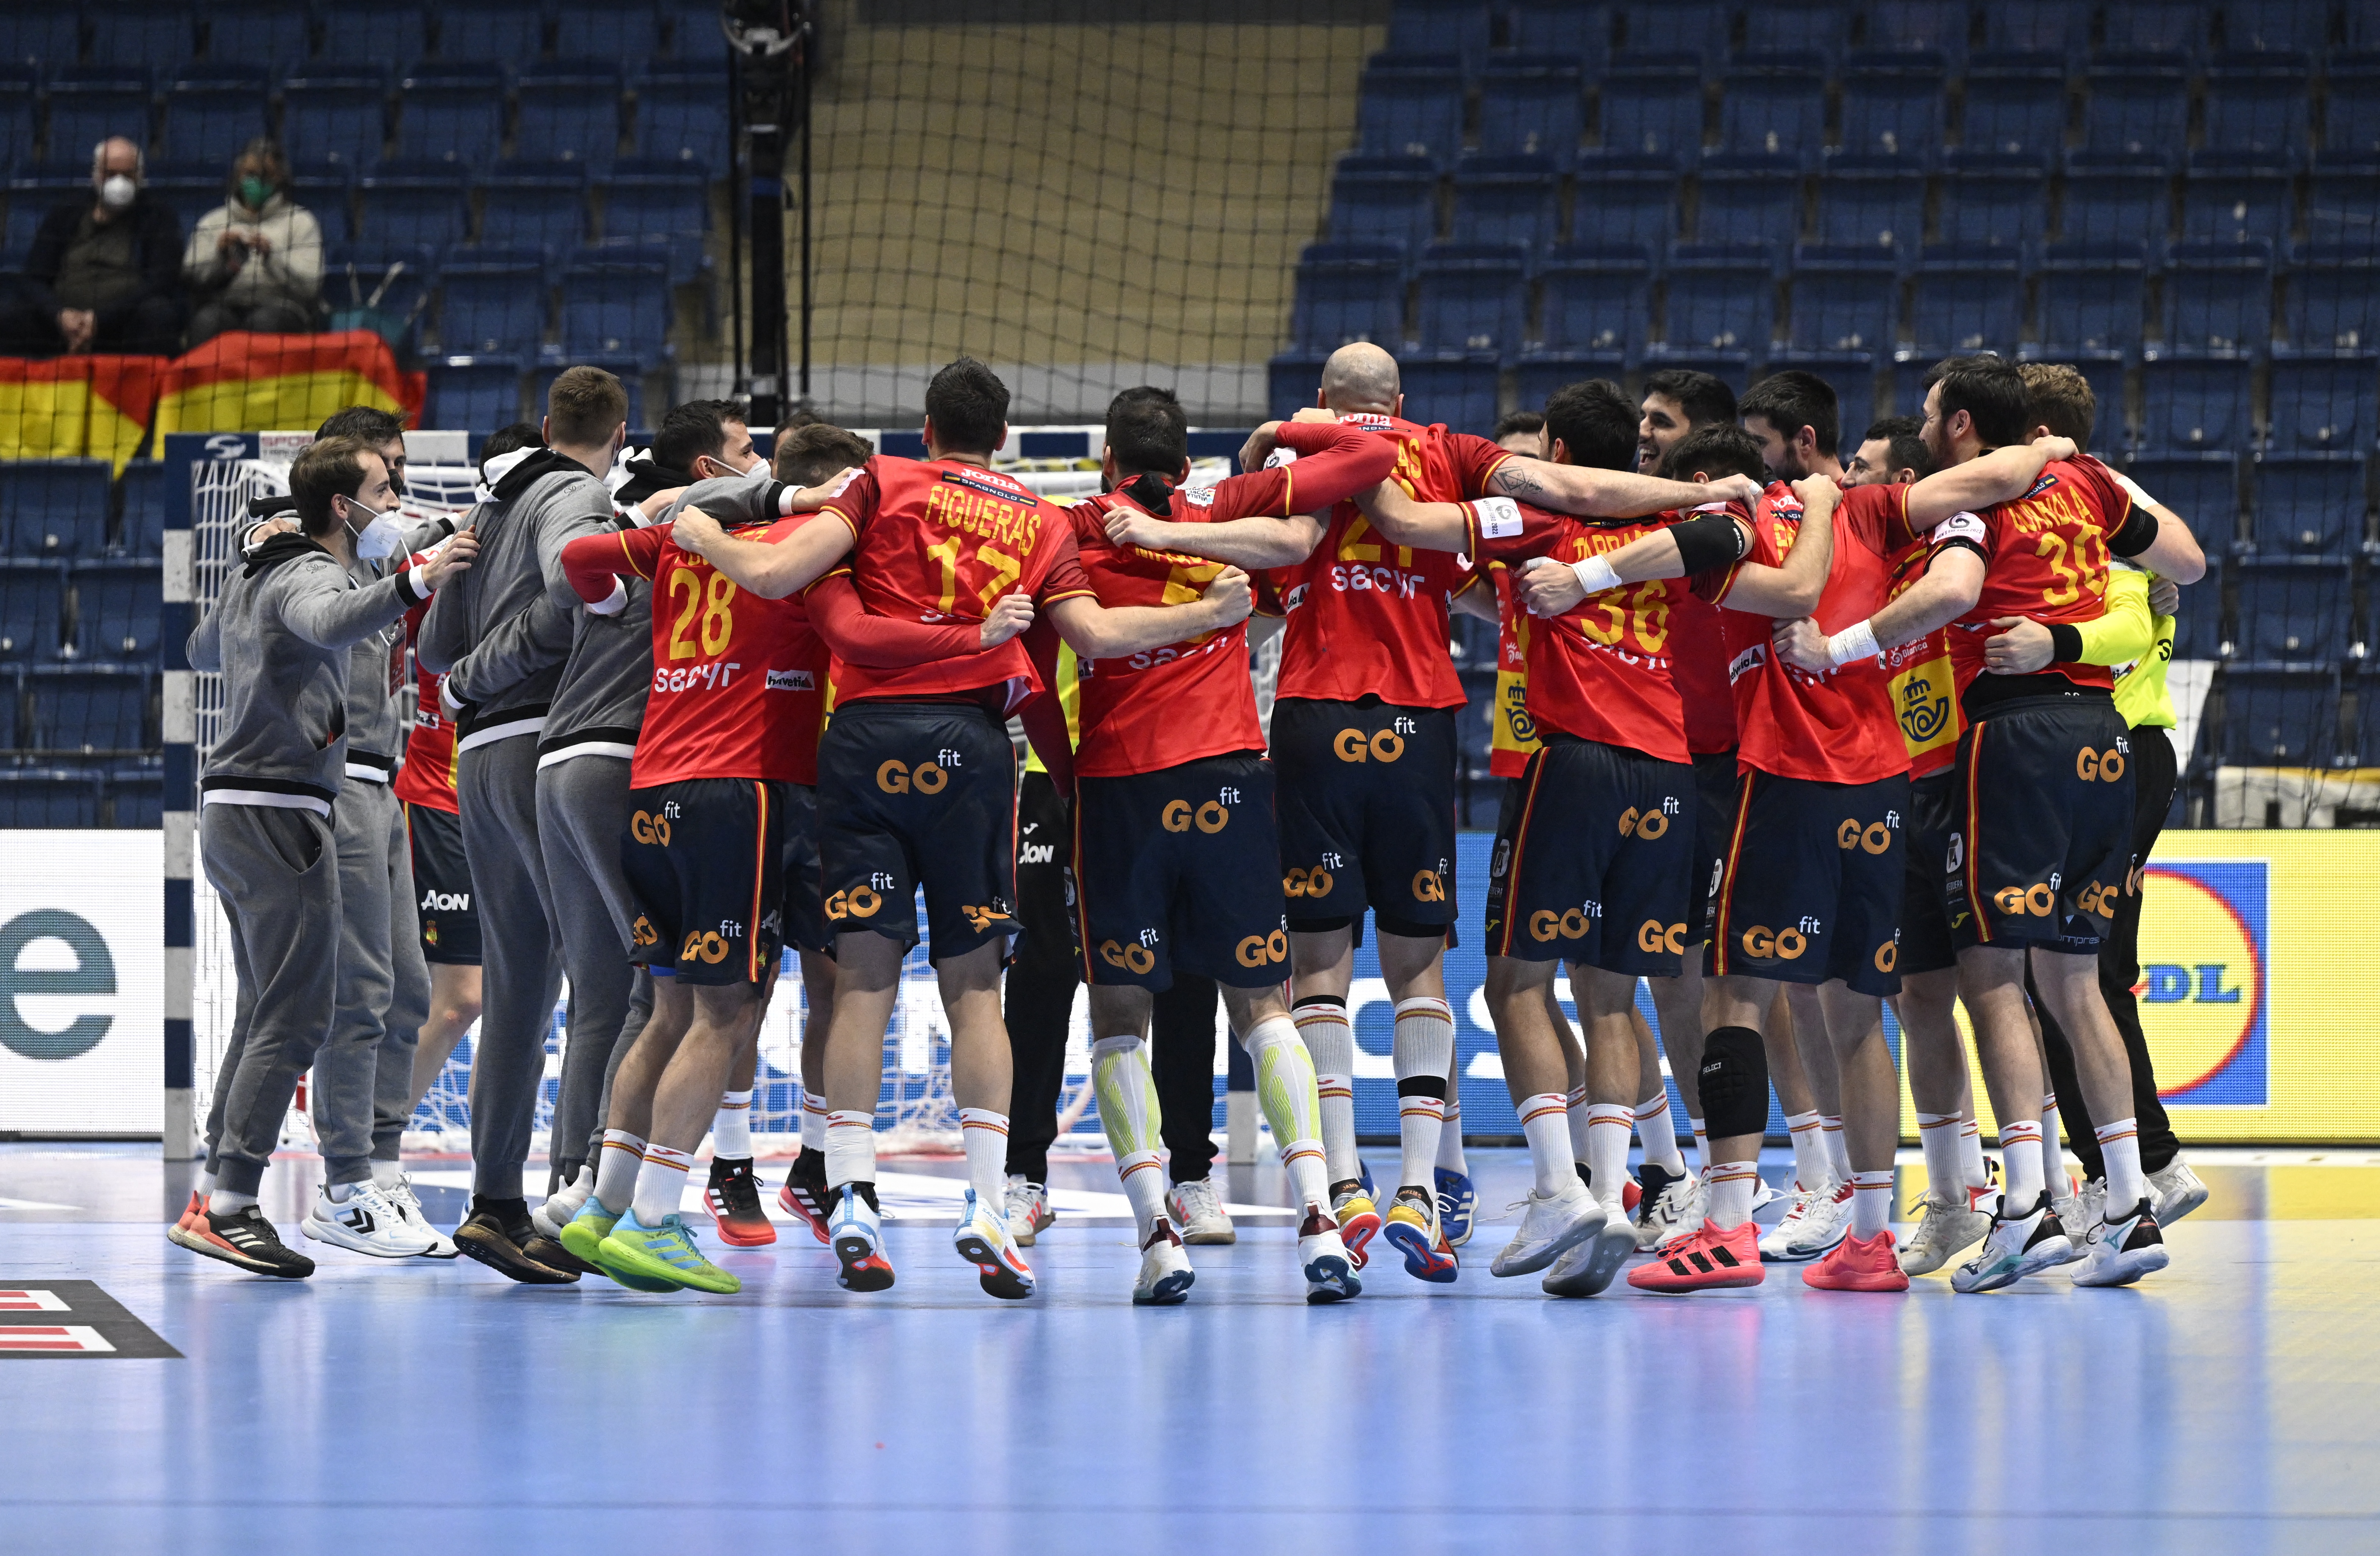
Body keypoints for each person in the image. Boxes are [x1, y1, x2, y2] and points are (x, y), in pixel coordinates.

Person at [669, 357, 1265, 1301]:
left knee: (862, 982)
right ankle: (990, 1204)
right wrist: (1205, 613)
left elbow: (781, 573)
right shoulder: (1036, 518)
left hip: (863, 745)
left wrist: (698, 525)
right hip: (978, 756)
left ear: (923, 424)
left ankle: (851, 1193)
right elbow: (1098, 640)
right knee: (975, 990)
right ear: (1002, 432)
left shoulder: (879, 484)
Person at [547, 436, 1010, 1294]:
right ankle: (654, 1218)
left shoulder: (684, 537)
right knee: (723, 1018)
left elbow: (579, 556)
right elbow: (869, 632)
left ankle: (602, 1208)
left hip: (656, 786)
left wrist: (610, 604)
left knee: (674, 1009)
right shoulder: (807, 559)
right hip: (746, 790)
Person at [1784, 355, 2203, 1291]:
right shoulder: (2090, 483)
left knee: (1989, 980)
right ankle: (2129, 1203)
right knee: (2073, 982)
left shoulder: (1967, 506)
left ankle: (2023, 1208)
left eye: (1933, 416)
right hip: (2104, 737)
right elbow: (2186, 560)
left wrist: (1834, 647)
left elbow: (1952, 592)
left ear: (1964, 426)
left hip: (2011, 735)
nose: (1926, 432)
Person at [1350, 379, 1765, 1297]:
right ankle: (1616, 1203)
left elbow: (1406, 523)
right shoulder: (1668, 546)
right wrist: (1711, 494)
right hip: (1668, 775)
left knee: (1514, 985)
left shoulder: (1540, 523)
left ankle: (1554, 1188)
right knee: (1614, 997)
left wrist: (1356, 442)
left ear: (1555, 456)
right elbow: (1734, 537)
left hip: (1573, 765)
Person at [1069, 387, 1401, 1299]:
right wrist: (1280, 436)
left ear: (1108, 459)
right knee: (1263, 1009)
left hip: (1120, 786)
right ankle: (1318, 1226)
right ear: (1186, 460)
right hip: (1227, 779)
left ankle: (1157, 1242)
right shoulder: (1230, 504)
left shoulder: (1075, 523)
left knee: (1118, 1022)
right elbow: (1370, 460)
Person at [170, 437, 477, 1277]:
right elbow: (326, 618)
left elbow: (204, 647)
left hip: (246, 804)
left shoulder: (263, 570)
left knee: (281, 1005)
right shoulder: (310, 573)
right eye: (385, 487)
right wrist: (413, 582)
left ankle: (216, 1193)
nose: (398, 502)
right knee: (303, 1012)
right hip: (282, 806)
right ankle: (242, 1201)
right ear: (342, 505)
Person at [416, 367, 630, 1284]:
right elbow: (574, 588)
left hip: (478, 761)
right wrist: (487, 670)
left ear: (549, 423)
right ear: (621, 434)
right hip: (547, 742)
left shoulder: (491, 509)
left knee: (515, 993)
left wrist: (463, 678)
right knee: (604, 983)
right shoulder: (579, 495)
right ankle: (570, 1200)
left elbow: (429, 645)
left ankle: (493, 1203)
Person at [1999, 364, 2211, 1234]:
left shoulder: (2091, 505)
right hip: (2091, 755)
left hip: (2114, 749)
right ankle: (2128, 1164)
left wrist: (2050, 637)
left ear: (2039, 429)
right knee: (2067, 970)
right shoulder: (2074, 507)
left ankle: (2142, 1165)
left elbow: (2162, 583)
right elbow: (2183, 564)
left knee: (2077, 972)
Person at [398, 431, 547, 1130]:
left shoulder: (555, 559)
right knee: (462, 996)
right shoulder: (446, 558)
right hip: (440, 800)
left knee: (529, 996)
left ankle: (507, 1167)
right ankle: (369, 1147)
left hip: (522, 802)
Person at [0, 136, 183, 356]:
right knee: (13, 316)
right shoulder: (66, 212)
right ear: (96, 174)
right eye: (111, 174)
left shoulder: (159, 216)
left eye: (128, 174)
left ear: (140, 176)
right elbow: (33, 277)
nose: (119, 182)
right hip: (61, 323)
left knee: (159, 314)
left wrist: (100, 320)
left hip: (125, 323)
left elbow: (161, 282)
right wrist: (60, 315)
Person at [183, 137, 323, 346]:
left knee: (264, 323)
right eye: (250, 174)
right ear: (238, 175)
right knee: (207, 323)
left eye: (265, 175)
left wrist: (271, 257)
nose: (257, 181)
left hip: (282, 308)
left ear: (280, 178)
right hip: (223, 306)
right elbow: (191, 277)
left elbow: (311, 285)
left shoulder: (302, 222)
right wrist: (219, 255)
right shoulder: (213, 221)